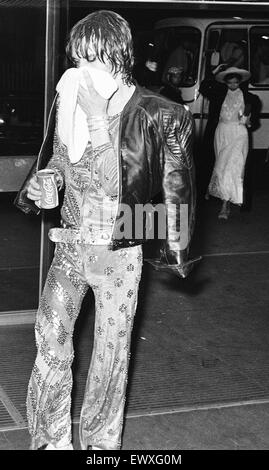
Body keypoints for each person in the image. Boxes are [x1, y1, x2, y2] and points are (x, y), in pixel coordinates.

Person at [14, 10, 197, 450]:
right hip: (71, 245)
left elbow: (134, 193)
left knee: (109, 359)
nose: (81, 71)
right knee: (50, 338)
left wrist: (97, 118)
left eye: (92, 59)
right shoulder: (69, 101)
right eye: (77, 60)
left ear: (118, 58)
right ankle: (49, 440)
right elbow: (59, 158)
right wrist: (49, 181)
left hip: (119, 254)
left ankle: (99, 445)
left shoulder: (156, 114)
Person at [199, 65, 260, 218]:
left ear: (240, 82)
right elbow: (203, 87)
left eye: (236, 83)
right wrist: (214, 71)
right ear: (225, 83)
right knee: (221, 165)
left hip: (239, 133)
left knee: (234, 166)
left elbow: (255, 122)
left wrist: (249, 122)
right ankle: (222, 195)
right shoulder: (218, 94)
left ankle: (225, 205)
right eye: (229, 83)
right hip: (222, 132)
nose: (233, 85)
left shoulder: (251, 98)